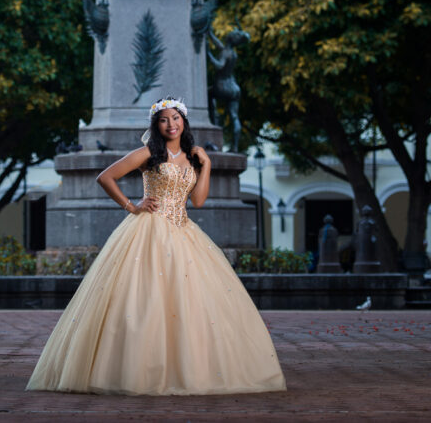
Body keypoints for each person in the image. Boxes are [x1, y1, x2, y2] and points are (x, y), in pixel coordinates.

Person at [27, 97, 286, 395]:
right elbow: (106, 177)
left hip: (184, 231)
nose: (171, 124)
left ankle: (188, 368)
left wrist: (208, 164)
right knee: (144, 299)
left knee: (188, 302)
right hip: (150, 229)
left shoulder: (193, 158)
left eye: (176, 118)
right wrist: (131, 205)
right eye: (164, 120)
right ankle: (137, 370)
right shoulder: (149, 153)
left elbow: (199, 201)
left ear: (184, 122)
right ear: (156, 125)